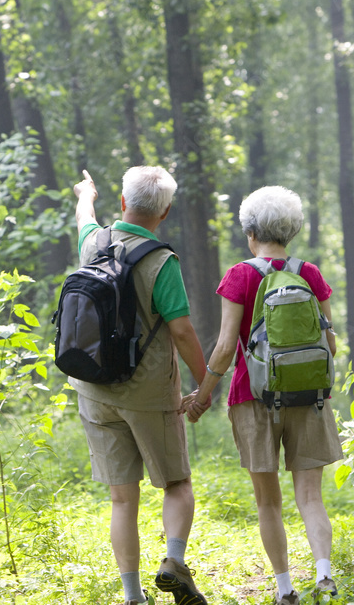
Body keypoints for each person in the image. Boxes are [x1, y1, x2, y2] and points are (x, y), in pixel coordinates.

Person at [182, 186, 342, 605]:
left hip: (251, 396)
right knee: (310, 496)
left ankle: (286, 588)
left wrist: (202, 395)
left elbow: (222, 347)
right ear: (291, 230)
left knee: (267, 502)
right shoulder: (309, 272)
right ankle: (323, 574)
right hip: (309, 396)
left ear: (250, 231)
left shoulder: (240, 274)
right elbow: (332, 346)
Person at [69, 167, 209, 605]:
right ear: (164, 212)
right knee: (176, 484)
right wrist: (206, 385)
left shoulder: (94, 242)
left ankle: (133, 598)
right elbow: (182, 332)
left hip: (93, 388)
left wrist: (86, 194)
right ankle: (172, 561)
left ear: (124, 203)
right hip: (148, 393)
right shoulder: (161, 261)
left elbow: (83, 217)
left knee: (122, 499)